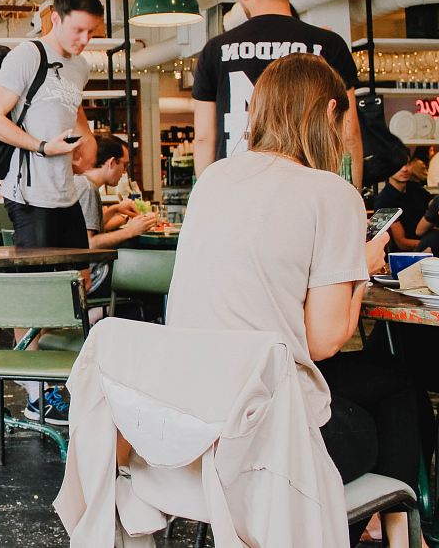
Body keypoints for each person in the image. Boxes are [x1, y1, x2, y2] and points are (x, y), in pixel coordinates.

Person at [168, 54, 421, 548]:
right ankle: (391, 529)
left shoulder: (213, 180)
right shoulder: (332, 193)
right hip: (267, 443)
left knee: (383, 379)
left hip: (193, 422)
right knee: (394, 386)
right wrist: (361, 269)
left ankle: (383, 526)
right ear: (330, 113)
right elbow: (325, 341)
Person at [192, 0, 363, 187]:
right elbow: (349, 131)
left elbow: (204, 138)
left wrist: (206, 198)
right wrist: (352, 195)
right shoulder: (328, 45)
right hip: (307, 187)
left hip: (236, 188)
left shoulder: (216, 50)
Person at [0, 0, 101, 247]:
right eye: (78, 30)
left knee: (80, 279)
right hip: (29, 195)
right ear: (56, 19)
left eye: (91, 31)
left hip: (67, 193)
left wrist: (88, 139)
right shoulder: (28, 56)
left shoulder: (80, 67)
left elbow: (72, 106)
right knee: (41, 283)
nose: (85, 40)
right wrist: (43, 147)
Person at [74, 135, 160, 297]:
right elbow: (89, 243)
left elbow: (83, 229)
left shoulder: (80, 182)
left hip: (81, 273)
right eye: (125, 166)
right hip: (93, 276)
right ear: (112, 162)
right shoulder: (87, 189)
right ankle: (98, 313)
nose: (124, 173)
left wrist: (114, 209)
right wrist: (131, 231)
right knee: (152, 273)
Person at [373, 153, 434, 252]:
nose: (404, 169)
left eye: (408, 164)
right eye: (398, 165)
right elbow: (402, 243)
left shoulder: (416, 189)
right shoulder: (384, 201)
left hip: (427, 244)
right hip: (405, 256)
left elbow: (433, 204)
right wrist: (430, 245)